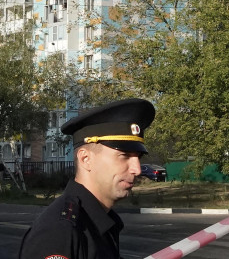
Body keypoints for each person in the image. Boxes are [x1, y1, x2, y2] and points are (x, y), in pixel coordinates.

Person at [18, 98, 156, 259]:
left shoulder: (99, 221)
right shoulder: (60, 232)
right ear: (85, 159)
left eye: (138, 157)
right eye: (124, 156)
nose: (137, 169)